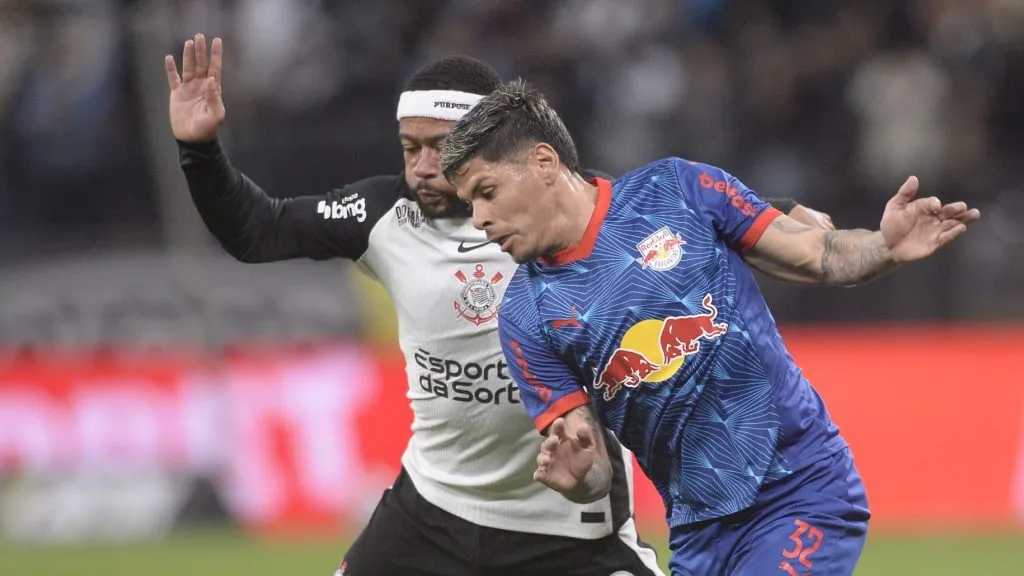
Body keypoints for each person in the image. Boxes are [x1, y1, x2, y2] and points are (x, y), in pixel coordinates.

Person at [165, 33, 829, 575]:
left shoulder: (565, 214)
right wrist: (199, 150)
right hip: (432, 510)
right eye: (409, 148)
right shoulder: (382, 215)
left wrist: (795, 221)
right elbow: (258, 230)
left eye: (439, 148)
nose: (422, 166)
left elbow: (686, 214)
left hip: (568, 524)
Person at [440, 79, 980, 576]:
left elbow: (818, 254)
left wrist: (885, 247)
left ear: (543, 162)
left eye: (486, 192)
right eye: (470, 205)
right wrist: (581, 479)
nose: (480, 219)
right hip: (698, 533)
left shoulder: (676, 189)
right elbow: (595, 468)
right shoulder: (523, 316)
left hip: (798, 489)